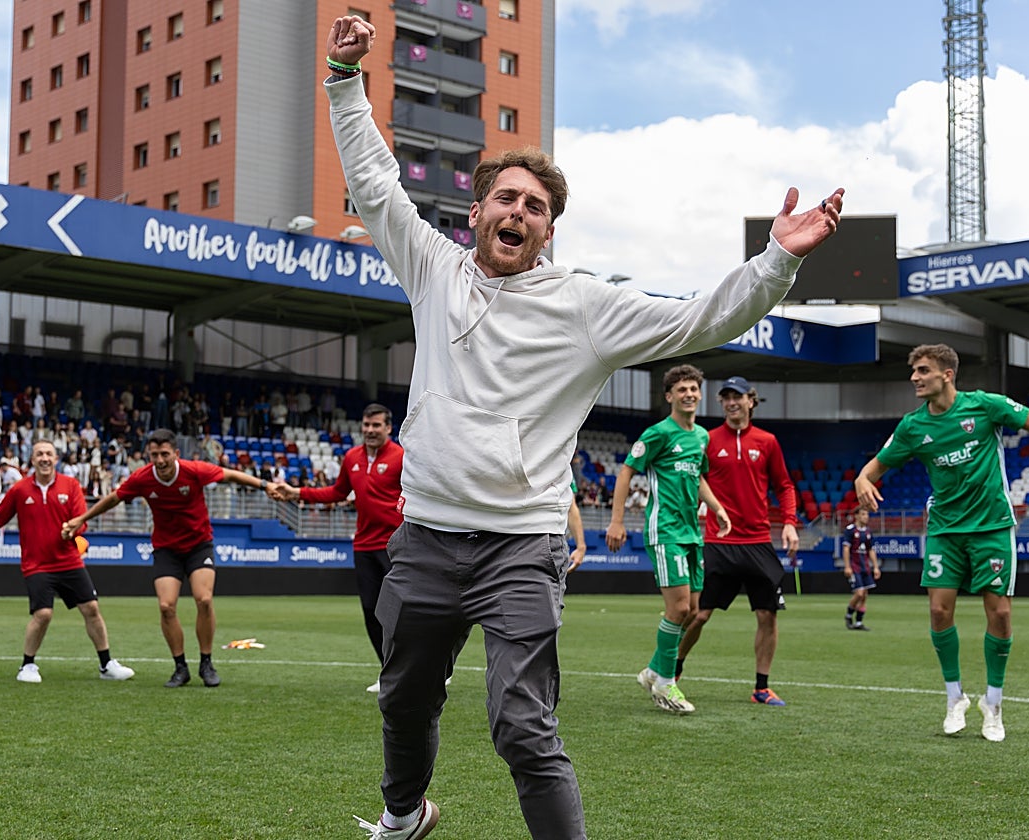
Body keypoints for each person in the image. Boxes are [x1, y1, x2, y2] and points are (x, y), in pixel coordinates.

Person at [327, 15, 843, 839]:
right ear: (477, 208)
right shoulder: (431, 267)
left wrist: (776, 259)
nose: (519, 211)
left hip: (521, 547)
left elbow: (698, 319)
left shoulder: (584, 307)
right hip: (424, 538)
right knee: (405, 697)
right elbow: (374, 177)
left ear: (548, 228)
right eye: (507, 197)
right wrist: (344, 78)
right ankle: (404, 813)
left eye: (535, 206)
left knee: (524, 726)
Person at [854, 343, 1029, 742]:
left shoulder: (986, 406)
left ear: (947, 374)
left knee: (1002, 615)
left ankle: (993, 704)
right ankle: (954, 697)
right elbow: (873, 469)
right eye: (913, 371)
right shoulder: (912, 427)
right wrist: (861, 480)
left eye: (922, 370)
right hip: (944, 528)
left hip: (992, 525)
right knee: (940, 612)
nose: (914, 378)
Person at [62, 428, 280, 688]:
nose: (160, 460)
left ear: (176, 453)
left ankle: (206, 663)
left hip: (199, 545)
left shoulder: (194, 470)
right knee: (166, 607)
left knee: (204, 599)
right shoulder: (142, 478)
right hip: (166, 550)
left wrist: (265, 485)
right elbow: (113, 499)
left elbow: (229, 475)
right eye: (154, 455)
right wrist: (81, 519)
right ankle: (180, 668)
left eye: (165, 454)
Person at [0, 440, 136, 683]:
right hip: (37, 565)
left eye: (49, 454)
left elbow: (82, 520)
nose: (44, 458)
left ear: (56, 459)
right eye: (39, 454)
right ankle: (27, 665)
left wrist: (73, 529)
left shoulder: (71, 485)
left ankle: (106, 665)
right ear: (32, 460)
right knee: (43, 614)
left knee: (91, 608)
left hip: (69, 561)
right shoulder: (19, 490)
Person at [605, 365, 730, 716]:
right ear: (669, 396)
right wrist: (617, 521)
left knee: (691, 611)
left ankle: (652, 671)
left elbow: (699, 478)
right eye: (682, 389)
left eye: (693, 388)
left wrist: (717, 507)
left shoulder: (702, 437)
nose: (689, 394)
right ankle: (664, 682)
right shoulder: (659, 433)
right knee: (678, 609)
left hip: (693, 532)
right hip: (666, 532)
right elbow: (627, 470)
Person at [674, 376, 799, 707]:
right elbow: (695, 477)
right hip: (718, 539)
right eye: (726, 397)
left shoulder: (768, 441)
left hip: (758, 541)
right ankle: (673, 670)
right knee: (699, 614)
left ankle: (761, 687)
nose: (731, 402)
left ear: (750, 401)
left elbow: (785, 485)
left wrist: (789, 523)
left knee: (767, 615)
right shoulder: (708, 440)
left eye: (737, 397)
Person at [268, 403, 404, 693]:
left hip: (396, 545)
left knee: (402, 613)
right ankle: (388, 673)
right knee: (371, 610)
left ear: (388, 428)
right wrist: (298, 492)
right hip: (364, 545)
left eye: (376, 425)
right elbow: (337, 492)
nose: (369, 430)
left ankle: (421, 670)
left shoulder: (402, 457)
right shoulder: (351, 457)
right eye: (366, 425)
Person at [842, 506, 881, 630]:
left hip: (865, 567)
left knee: (864, 595)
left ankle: (858, 622)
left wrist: (875, 567)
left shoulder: (868, 532)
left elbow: (871, 550)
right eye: (863, 514)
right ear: (857, 516)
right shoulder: (850, 530)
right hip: (855, 566)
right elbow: (846, 549)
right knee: (859, 593)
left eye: (867, 515)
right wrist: (847, 566)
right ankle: (848, 615)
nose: (866, 517)